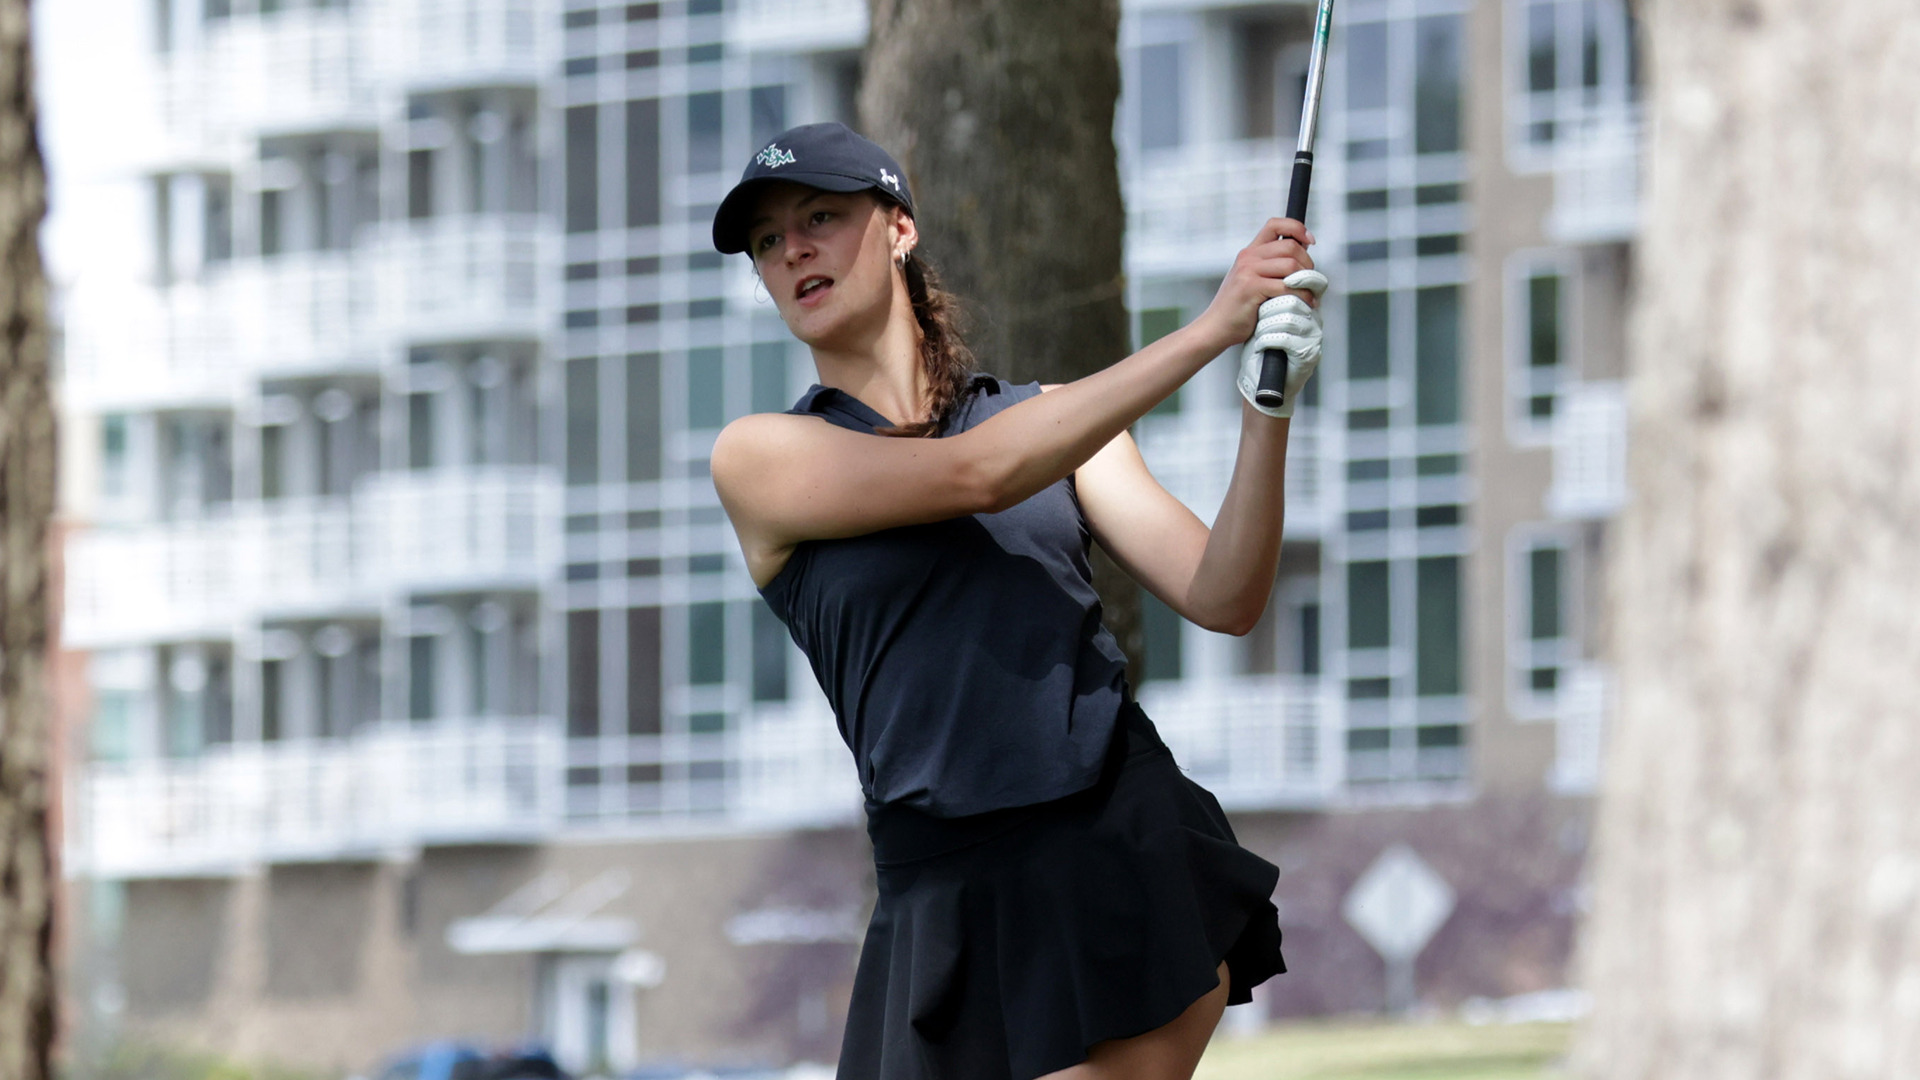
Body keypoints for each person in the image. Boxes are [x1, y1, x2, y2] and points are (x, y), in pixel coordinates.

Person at [708, 122, 1327, 1080]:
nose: (791, 249)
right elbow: (976, 476)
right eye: (767, 241)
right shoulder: (760, 459)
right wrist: (1211, 328)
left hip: (1115, 850)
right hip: (936, 902)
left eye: (820, 217)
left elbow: (1225, 593)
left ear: (900, 229)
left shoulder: (1054, 422)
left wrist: (1266, 412)